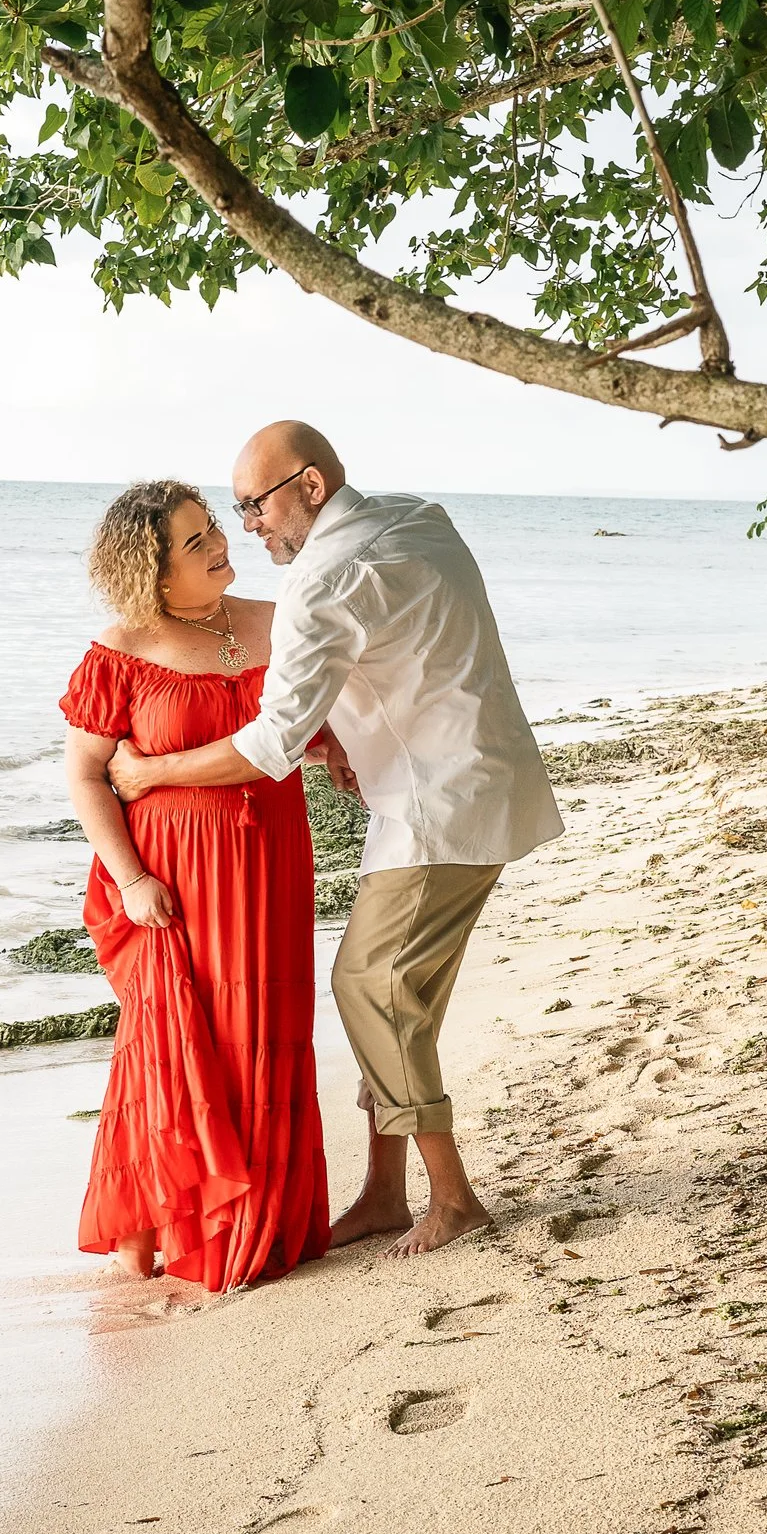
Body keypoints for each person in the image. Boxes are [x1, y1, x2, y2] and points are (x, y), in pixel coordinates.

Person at [108, 423, 561, 1256]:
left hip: (439, 806)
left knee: (369, 988)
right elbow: (393, 647)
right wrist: (346, 733)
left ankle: (453, 1200)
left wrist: (150, 775)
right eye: (234, 511)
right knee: (396, 998)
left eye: (254, 504)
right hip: (463, 784)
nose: (248, 526)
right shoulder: (415, 516)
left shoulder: (322, 579)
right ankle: (385, 1193)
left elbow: (269, 742)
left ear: (311, 487)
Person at [57, 479, 333, 1290]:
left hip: (271, 861)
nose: (220, 542)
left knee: (268, 1030)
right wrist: (131, 877)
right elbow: (86, 776)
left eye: (213, 526)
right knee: (176, 1045)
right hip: (171, 880)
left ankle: (265, 1223)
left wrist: (336, 749)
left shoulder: (275, 623)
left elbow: (309, 723)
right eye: (194, 540)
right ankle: (176, 1226)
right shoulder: (123, 650)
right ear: (154, 565)